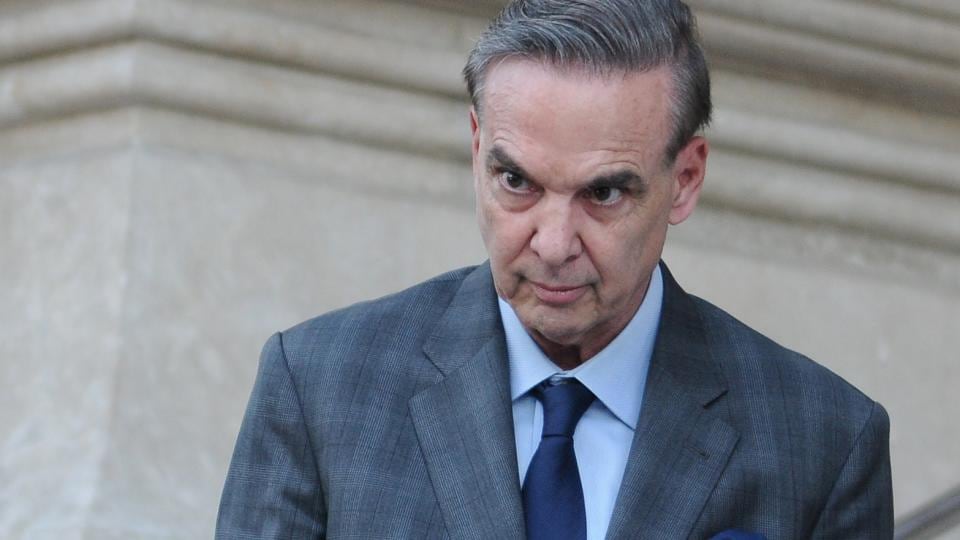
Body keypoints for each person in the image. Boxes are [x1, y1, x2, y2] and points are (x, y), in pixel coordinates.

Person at [216, 0, 893, 538]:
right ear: (477, 148)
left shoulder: (825, 440)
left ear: (685, 179)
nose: (552, 243)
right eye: (517, 181)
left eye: (604, 193)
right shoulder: (320, 386)